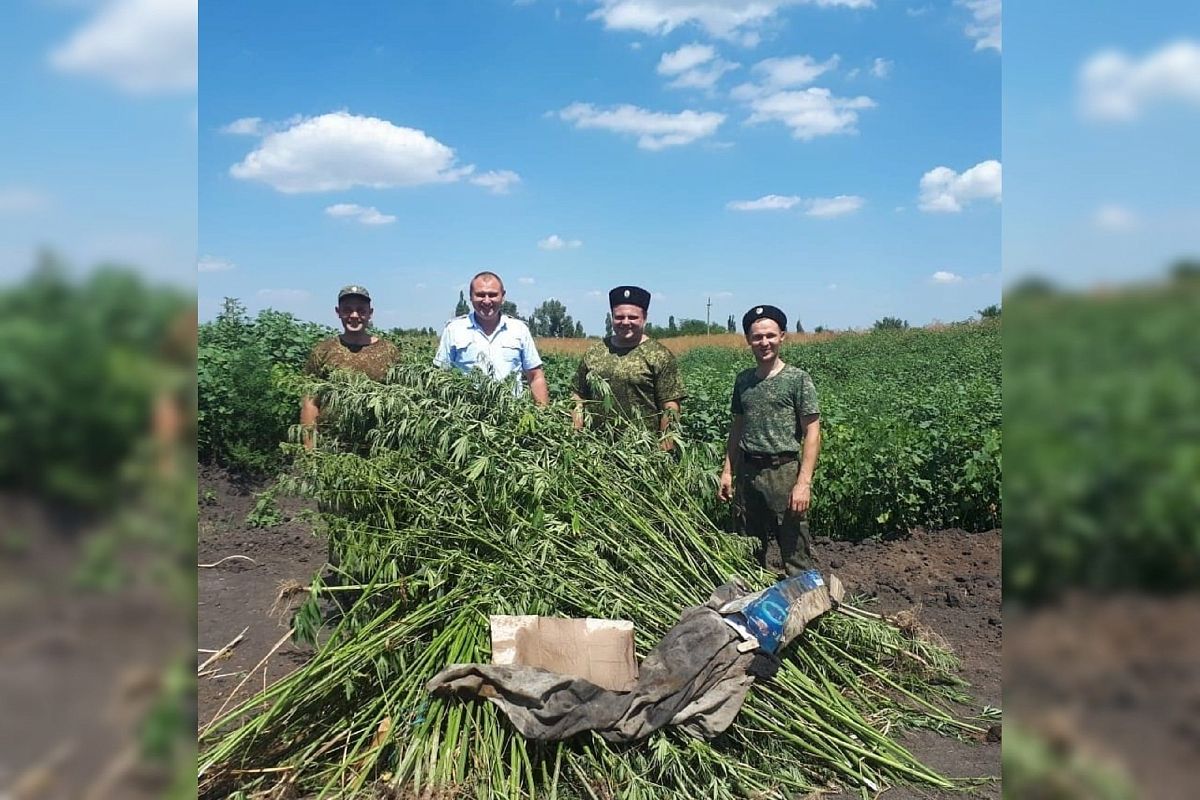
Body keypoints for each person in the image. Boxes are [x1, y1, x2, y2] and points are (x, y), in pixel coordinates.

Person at [718, 305, 822, 575]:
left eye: (770, 335)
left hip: (783, 473)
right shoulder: (744, 381)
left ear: (782, 337)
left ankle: (806, 606)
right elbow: (737, 427)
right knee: (748, 548)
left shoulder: (797, 379)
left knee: (794, 549)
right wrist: (728, 471)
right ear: (748, 340)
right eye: (757, 337)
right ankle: (754, 609)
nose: (764, 342)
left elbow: (812, 431)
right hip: (748, 472)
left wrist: (803, 483)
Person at [572, 286, 684, 450]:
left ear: (644, 318)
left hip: (643, 454)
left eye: (632, 317)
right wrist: (576, 437)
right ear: (612, 318)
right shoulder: (594, 352)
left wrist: (663, 453)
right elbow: (578, 396)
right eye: (619, 317)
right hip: (595, 450)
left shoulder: (659, 355)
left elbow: (670, 408)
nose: (625, 322)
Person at [300, 284, 401, 449]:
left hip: (376, 449)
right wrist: (310, 449)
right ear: (338, 312)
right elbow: (310, 402)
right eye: (347, 309)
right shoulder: (323, 350)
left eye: (361, 310)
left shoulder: (389, 351)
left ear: (370, 313)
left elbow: (399, 402)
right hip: (330, 445)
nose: (354, 315)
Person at [434, 271, 549, 405]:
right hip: (466, 419)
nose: (487, 301)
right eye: (480, 295)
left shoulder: (519, 329)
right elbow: (440, 376)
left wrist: (542, 416)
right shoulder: (454, 329)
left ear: (503, 296)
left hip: (512, 417)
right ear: (470, 297)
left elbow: (535, 376)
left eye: (493, 295)